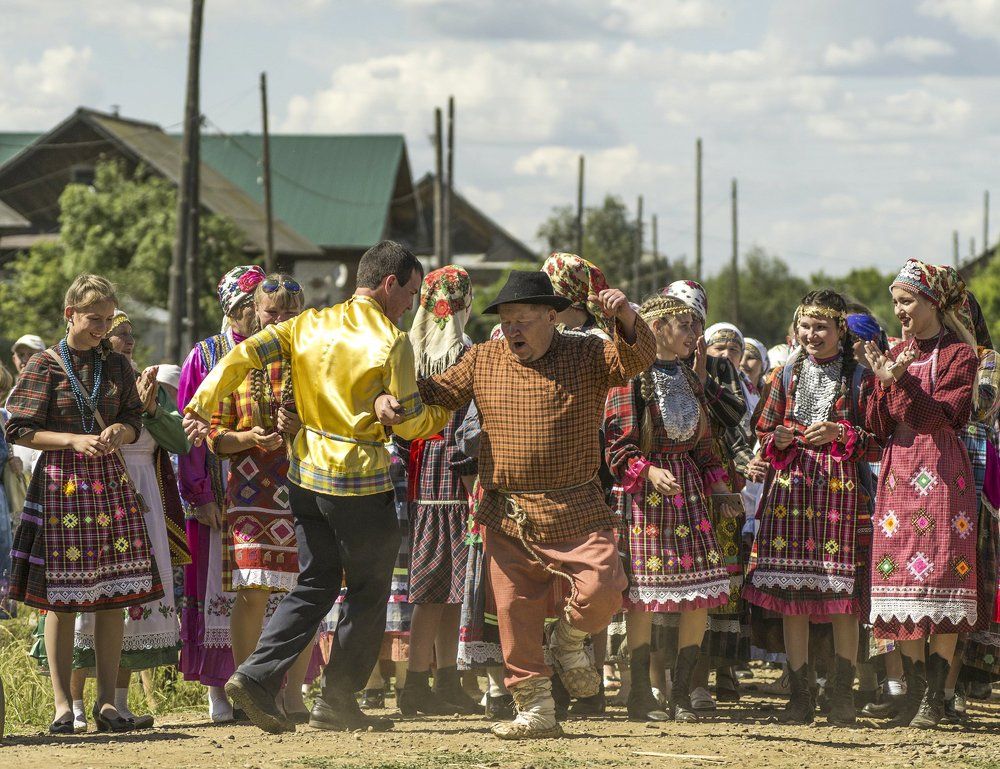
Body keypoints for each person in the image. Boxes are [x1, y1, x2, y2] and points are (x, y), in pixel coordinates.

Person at [183, 241, 451, 734]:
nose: (411, 304)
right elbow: (412, 425)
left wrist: (201, 402)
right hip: (360, 483)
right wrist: (444, 409)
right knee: (369, 590)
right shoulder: (393, 342)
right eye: (410, 292)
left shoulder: (307, 324)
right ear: (389, 284)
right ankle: (338, 697)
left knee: (316, 582)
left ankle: (256, 676)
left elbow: (241, 355)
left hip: (303, 478)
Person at [406, 270, 656, 739]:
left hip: (577, 503)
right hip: (508, 509)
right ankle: (537, 709)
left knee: (605, 586)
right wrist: (392, 400)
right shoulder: (482, 358)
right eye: (506, 319)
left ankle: (567, 641)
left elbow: (636, 359)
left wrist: (624, 314)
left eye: (523, 318)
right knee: (515, 613)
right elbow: (436, 394)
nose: (512, 329)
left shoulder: (586, 352)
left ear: (551, 316)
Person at [6, 274, 162, 734]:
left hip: (109, 489)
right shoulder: (44, 365)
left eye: (108, 319)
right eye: (95, 319)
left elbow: (134, 417)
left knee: (114, 597)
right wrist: (72, 439)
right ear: (69, 314)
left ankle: (108, 703)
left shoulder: (114, 365)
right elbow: (17, 429)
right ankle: (61, 706)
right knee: (62, 599)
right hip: (62, 489)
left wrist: (122, 432)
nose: (102, 327)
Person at [743, 290, 879, 727]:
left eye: (821, 327)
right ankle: (799, 696)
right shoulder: (784, 375)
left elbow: (878, 438)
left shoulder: (860, 378)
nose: (811, 334)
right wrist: (777, 438)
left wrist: (841, 433)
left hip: (841, 495)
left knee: (842, 596)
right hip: (790, 493)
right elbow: (762, 427)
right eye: (805, 326)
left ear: (841, 329)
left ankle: (842, 694)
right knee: (789, 598)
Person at [605, 295, 740, 723]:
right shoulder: (630, 378)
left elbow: (704, 448)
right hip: (646, 500)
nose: (693, 334)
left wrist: (722, 490)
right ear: (658, 327)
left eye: (694, 325)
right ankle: (641, 694)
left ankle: (680, 692)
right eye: (684, 325)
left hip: (691, 499)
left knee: (698, 596)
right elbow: (618, 446)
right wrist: (647, 472)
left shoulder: (688, 377)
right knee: (643, 599)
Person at [863, 259, 980, 729]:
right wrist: (880, 385)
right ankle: (912, 697)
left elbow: (940, 416)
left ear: (933, 302)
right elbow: (876, 425)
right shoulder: (896, 351)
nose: (899, 310)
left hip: (943, 473)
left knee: (944, 580)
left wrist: (898, 380)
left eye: (907, 300)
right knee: (901, 588)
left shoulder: (959, 355)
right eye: (895, 302)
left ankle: (936, 696)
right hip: (898, 478)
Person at [67, 310, 190, 731]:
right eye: (120, 333)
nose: (128, 340)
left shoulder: (146, 386)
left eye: (130, 335)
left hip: (145, 499)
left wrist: (152, 409)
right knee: (89, 596)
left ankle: (116, 704)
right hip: (97, 492)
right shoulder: (89, 383)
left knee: (130, 598)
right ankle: (76, 706)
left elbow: (180, 440)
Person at [205, 274, 319, 724]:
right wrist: (246, 436)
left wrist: (300, 428)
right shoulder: (238, 362)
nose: (280, 320)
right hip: (251, 492)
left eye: (290, 313)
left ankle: (293, 692)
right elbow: (215, 436)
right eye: (272, 312)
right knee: (253, 591)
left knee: (306, 589)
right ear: (255, 311)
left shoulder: (316, 361)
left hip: (306, 484)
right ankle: (248, 688)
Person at [177, 264, 266, 722]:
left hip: (268, 486)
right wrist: (201, 493)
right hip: (221, 487)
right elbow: (190, 429)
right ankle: (217, 687)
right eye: (251, 304)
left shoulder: (275, 351)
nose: (258, 312)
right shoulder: (206, 355)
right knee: (221, 585)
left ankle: (264, 684)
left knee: (263, 585)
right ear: (235, 307)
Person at [396, 266, 479, 717]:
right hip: (450, 475)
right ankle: (415, 683)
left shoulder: (410, 349)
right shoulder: (465, 353)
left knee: (449, 585)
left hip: (425, 471)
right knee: (434, 586)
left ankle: (444, 679)